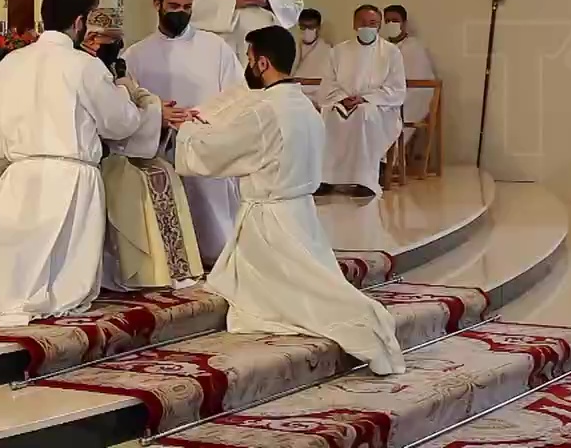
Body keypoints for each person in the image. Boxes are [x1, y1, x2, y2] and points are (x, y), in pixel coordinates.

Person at [172, 25, 405, 375]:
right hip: (301, 216)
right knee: (315, 283)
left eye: (249, 60)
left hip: (271, 223)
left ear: (263, 63)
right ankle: (367, 321)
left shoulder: (265, 111)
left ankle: (365, 322)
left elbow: (214, 152)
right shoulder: (305, 107)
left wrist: (187, 128)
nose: (247, 67)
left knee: (301, 297)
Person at [0, 0, 160, 327]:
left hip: (20, 174)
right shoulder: (84, 66)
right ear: (78, 22)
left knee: (11, 258)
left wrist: (12, 158)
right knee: (62, 276)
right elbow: (120, 123)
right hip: (70, 176)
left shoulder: (12, 62)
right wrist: (126, 93)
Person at [122, 0, 243, 266]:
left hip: (206, 149)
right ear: (156, 3)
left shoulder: (216, 48)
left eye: (187, 8)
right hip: (160, 152)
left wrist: (199, 116)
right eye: (174, 7)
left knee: (215, 235)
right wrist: (158, 116)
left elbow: (238, 96)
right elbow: (124, 109)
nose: (181, 14)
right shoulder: (135, 56)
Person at [79, 7, 205, 291]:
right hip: (102, 157)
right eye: (111, 41)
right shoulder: (86, 70)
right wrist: (155, 114)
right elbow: (117, 121)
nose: (117, 49)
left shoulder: (112, 68)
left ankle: (169, 268)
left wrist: (158, 107)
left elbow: (134, 94)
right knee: (135, 180)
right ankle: (138, 269)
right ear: (92, 41)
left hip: (124, 147)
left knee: (163, 171)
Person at [316, 5, 407, 197]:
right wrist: (343, 99)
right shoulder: (339, 51)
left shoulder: (391, 53)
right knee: (330, 116)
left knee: (363, 115)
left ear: (379, 25)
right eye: (362, 23)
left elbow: (396, 89)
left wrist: (365, 99)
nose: (367, 27)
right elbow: (328, 84)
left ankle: (364, 180)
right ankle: (327, 178)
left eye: (372, 23)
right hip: (342, 102)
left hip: (378, 107)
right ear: (354, 24)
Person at [382, 4, 436, 143]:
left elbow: (419, 79)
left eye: (395, 20)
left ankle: (389, 159)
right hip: (385, 95)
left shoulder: (414, 47)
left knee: (391, 114)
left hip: (412, 95)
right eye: (387, 21)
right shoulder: (382, 47)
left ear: (404, 24)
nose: (390, 24)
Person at [294, 8, 331, 104]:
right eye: (303, 27)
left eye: (310, 27)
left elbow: (327, 80)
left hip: (314, 94)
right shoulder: (292, 47)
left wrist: (302, 81)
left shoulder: (327, 50)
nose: (306, 30)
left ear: (318, 27)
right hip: (294, 92)